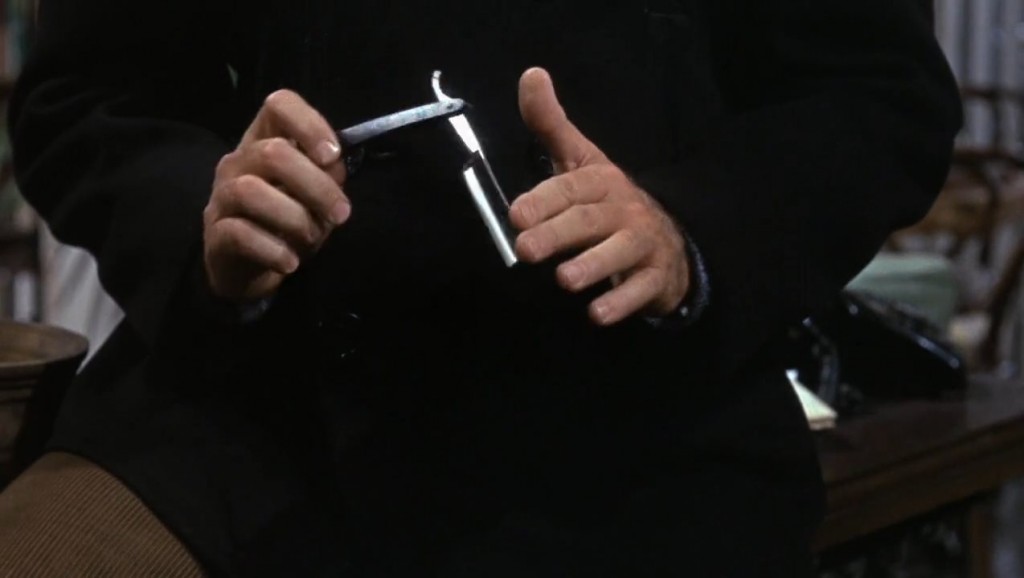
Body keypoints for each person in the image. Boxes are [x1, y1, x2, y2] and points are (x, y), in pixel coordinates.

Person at [0, 0, 961, 575]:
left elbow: (875, 96)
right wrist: (206, 214)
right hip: (252, 415)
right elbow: (88, 98)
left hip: (637, 439)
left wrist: (686, 229)